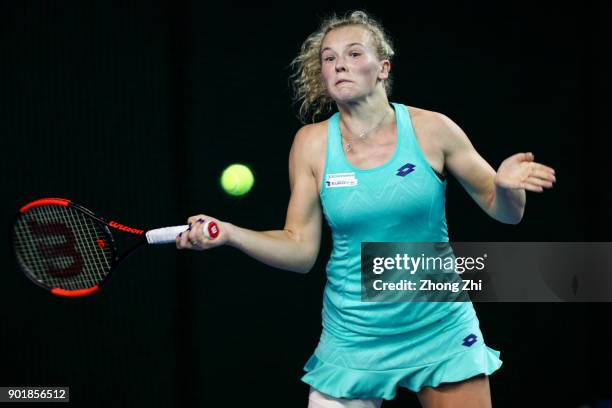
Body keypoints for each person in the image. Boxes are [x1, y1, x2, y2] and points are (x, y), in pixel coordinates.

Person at [176, 10, 556, 408]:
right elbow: (300, 250)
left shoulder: (433, 129)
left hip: (439, 326)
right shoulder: (311, 144)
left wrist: (506, 187)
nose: (339, 63)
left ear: (382, 68)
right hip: (353, 334)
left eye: (354, 53)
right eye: (328, 57)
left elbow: (507, 212)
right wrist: (231, 233)